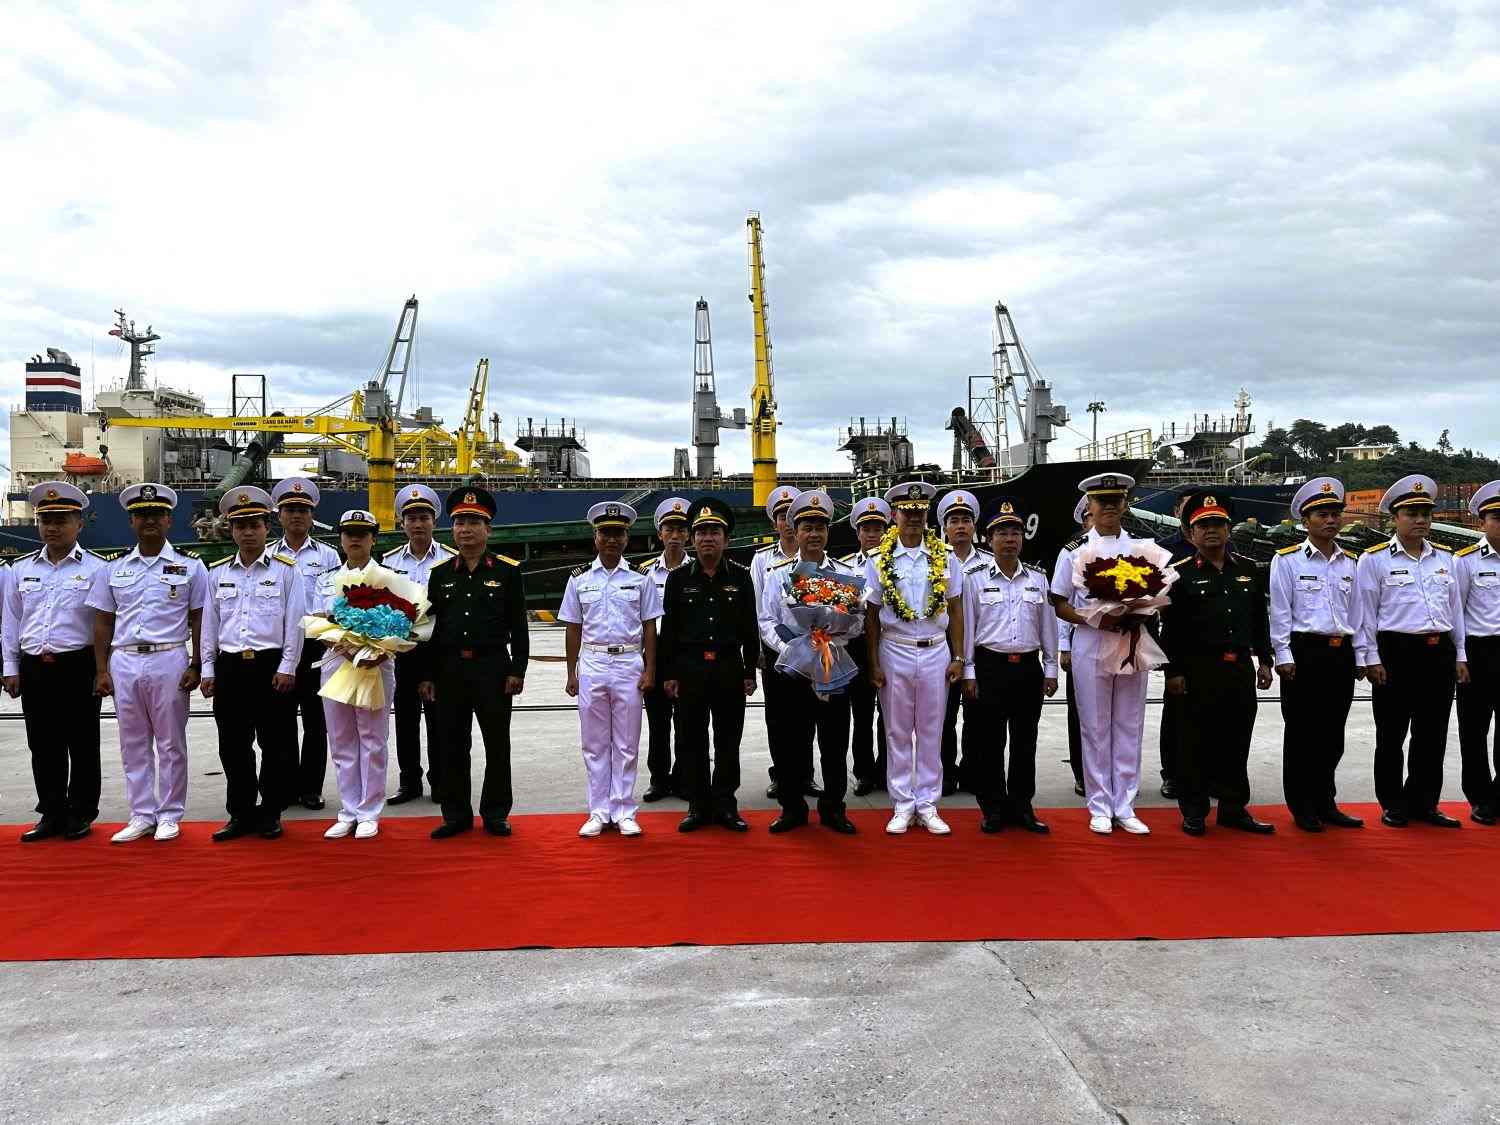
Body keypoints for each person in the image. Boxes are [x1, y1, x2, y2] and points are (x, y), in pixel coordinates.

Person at [88, 483, 208, 844]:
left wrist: (197, 664)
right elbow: (103, 620)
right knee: (133, 742)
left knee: (171, 742)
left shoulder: (191, 566)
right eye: (142, 515)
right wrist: (101, 669)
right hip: (125, 659)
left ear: (169, 520)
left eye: (157, 514)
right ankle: (141, 813)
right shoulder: (114, 568)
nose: (149, 520)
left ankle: (169, 813)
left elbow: (200, 619)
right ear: (131, 521)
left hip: (169, 657)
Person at [1354, 474, 1468, 828]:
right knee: (1391, 735)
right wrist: (1370, 658)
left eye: (1425, 514)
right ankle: (1392, 803)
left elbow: (1455, 612)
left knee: (1432, 735)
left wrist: (1460, 654)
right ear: (1395, 517)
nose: (1420, 520)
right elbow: (1364, 614)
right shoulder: (1374, 560)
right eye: (1411, 513)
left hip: (1438, 652)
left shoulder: (1446, 559)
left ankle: (1424, 802)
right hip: (1396, 652)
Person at [1162, 492, 1275, 836]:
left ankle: (1233, 807)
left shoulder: (1248, 569)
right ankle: (1194, 810)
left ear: (1228, 529)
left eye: (1218, 523)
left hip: (1238, 668)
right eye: (1203, 525)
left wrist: (1265, 660)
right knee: (1194, 742)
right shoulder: (1178, 574)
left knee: (1236, 741)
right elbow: (1172, 630)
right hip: (1198, 670)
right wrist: (1173, 672)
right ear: (1190, 533)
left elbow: (1259, 619)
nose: (1211, 530)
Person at [421, 487, 529, 839]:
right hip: (449, 669)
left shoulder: (507, 572)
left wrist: (518, 670)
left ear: (488, 529)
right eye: (459, 522)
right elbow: (430, 629)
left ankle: (495, 813)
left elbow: (519, 626)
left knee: (497, 744)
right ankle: (455, 815)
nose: (465, 529)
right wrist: (427, 675)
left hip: (492, 668)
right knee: (452, 744)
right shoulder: (440, 574)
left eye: (473, 522)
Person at [3, 481, 107, 842]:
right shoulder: (19, 570)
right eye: (46, 520)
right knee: (43, 743)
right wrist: (10, 667)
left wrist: (103, 669)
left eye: (62, 519)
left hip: (78, 665)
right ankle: (51, 811)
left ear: (79, 523)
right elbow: (11, 622)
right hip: (35, 666)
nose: (53, 527)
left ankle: (80, 812)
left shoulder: (97, 569)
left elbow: (104, 625)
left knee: (82, 743)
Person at [199, 487, 305, 841]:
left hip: (270, 666)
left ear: (266, 528)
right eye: (240, 525)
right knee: (233, 745)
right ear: (231, 530)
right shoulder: (217, 573)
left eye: (254, 525)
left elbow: (295, 623)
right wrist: (208, 670)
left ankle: (271, 811)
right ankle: (240, 813)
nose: (247, 532)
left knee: (276, 744)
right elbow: (210, 626)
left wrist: (288, 666)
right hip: (231, 667)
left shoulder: (286, 571)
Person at [1049, 473, 1152, 836]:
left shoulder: (1141, 547)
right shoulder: (1073, 550)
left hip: (1129, 639)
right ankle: (1099, 804)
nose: (1109, 507)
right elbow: (1059, 601)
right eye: (1101, 501)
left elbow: (1157, 594)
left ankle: (1125, 804)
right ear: (1089, 507)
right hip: (1091, 640)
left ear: (1125, 505)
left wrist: (1142, 609)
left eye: (1115, 501)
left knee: (1129, 724)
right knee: (1095, 726)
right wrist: (1092, 617)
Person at [865, 480, 965, 835]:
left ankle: (928, 803)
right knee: (897, 730)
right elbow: (871, 615)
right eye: (907, 512)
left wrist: (959, 656)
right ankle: (902, 803)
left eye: (920, 512)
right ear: (895, 515)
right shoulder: (879, 559)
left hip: (935, 649)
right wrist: (873, 663)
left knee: (932, 729)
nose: (913, 518)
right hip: (895, 648)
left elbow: (956, 607)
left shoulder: (945, 556)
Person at [759, 489, 861, 834]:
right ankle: (792, 808)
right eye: (807, 527)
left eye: (820, 527)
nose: (814, 534)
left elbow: (857, 623)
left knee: (834, 741)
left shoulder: (844, 573)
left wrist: (829, 639)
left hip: (832, 664)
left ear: (827, 531)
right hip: (794, 670)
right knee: (791, 741)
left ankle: (833, 808)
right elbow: (766, 620)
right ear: (796, 531)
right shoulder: (778, 574)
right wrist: (793, 649)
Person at [560, 501, 661, 837]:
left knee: (627, 743)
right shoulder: (579, 579)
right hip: (593, 662)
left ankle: (624, 810)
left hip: (629, 662)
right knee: (594, 743)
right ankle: (599, 811)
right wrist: (571, 672)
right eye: (606, 533)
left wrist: (650, 670)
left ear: (627, 538)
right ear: (596, 537)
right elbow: (573, 626)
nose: (612, 539)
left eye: (618, 533)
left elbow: (649, 626)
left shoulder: (641, 578)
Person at [1270, 477, 1364, 832]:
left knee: (1332, 734)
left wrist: (1360, 656)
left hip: (1340, 654)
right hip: (1304, 653)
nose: (1330, 520)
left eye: (1335, 514)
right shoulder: (1288, 561)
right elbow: (1280, 611)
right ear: (1305, 521)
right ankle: (1302, 805)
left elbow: (1358, 615)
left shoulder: (1350, 562)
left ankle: (1326, 801)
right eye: (1322, 515)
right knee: (1302, 734)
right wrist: (1283, 654)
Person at [660, 497, 759, 833]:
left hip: (729, 668)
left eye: (715, 532)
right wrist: (669, 674)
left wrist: (749, 672)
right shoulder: (677, 580)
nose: (707, 538)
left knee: (728, 740)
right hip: (690, 669)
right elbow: (669, 631)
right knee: (691, 740)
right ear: (692, 538)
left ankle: (726, 804)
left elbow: (750, 628)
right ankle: (698, 805)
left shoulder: (741, 577)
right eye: (701, 532)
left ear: (726, 539)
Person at [962, 498, 1058, 834]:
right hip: (990, 666)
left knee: (1025, 741)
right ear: (989, 539)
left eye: (1015, 532)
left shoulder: (1038, 578)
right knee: (989, 742)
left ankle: (1022, 805)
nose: (1009, 539)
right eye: (1002, 533)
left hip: (1027, 669)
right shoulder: (973, 579)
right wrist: (968, 671)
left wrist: (1050, 668)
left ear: (1023, 538)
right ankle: (992, 807)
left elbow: (1048, 627)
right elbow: (968, 629)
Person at [314, 509, 397, 839]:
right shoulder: (325, 579)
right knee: (341, 739)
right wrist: (346, 648)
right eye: (349, 533)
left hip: (375, 664)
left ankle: (369, 812)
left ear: (373, 539)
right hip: (337, 661)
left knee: (373, 739)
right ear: (341, 539)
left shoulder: (391, 578)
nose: (355, 539)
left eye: (363, 533)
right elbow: (316, 622)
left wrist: (376, 652)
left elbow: (403, 624)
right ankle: (348, 810)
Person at [270, 477, 342, 811]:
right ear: (279, 515)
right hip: (280, 647)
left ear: (312, 516)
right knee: (280, 722)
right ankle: (285, 786)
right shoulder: (268, 555)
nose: (296, 515)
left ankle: (311, 788)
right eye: (290, 510)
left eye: (303, 510)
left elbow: (336, 600)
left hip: (316, 646)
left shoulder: (328, 556)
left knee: (317, 722)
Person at [382, 483, 455, 805]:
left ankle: (440, 781)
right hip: (403, 651)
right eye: (411, 518)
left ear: (434, 521)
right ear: (402, 523)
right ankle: (409, 782)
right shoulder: (389, 562)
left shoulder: (450, 559)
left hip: (438, 650)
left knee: (439, 720)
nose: (418, 524)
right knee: (406, 719)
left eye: (424, 517)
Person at [750, 485, 819, 801]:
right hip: (776, 650)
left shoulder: (816, 558)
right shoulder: (762, 560)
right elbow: (757, 609)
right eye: (781, 516)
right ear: (775, 522)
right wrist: (758, 651)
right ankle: (781, 774)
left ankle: (805, 775)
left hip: (815, 650)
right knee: (777, 718)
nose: (787, 523)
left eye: (792, 517)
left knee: (808, 716)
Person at [936, 488, 990, 795]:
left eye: (965, 521)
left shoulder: (989, 563)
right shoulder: (934, 561)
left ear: (974, 526)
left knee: (977, 714)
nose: (960, 526)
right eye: (954, 521)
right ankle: (945, 772)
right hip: (944, 645)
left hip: (980, 646)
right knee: (944, 715)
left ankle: (972, 770)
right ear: (944, 527)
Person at [640, 496, 691, 802]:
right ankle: (658, 779)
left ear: (688, 534)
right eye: (669, 529)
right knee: (657, 723)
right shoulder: (644, 573)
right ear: (659, 533)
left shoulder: (697, 571)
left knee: (686, 722)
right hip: (654, 655)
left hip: (686, 655)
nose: (675, 535)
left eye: (681, 529)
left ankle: (684, 778)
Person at [839, 496, 891, 795]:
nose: (872, 534)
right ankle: (863, 772)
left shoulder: (895, 562)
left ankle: (886, 771)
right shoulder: (845, 567)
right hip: (857, 646)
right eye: (866, 529)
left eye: (877, 528)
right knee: (860, 713)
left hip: (891, 643)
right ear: (857, 532)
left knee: (889, 714)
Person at [1456, 480, 1500, 825]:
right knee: (1473, 731)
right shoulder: (1466, 562)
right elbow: (1455, 612)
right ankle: (1480, 797)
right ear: (1481, 522)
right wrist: (1459, 656)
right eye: (1497, 518)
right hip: (1479, 652)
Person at [1155, 487, 1197, 800]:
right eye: (1187, 506)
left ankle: (1209, 774)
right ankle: (1172, 774)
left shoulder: (1225, 545)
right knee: (1176, 714)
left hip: (1214, 643)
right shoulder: (1164, 550)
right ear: (1176, 512)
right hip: (1178, 640)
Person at [1060, 496, 1091, 797]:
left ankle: (1118, 775)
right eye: (1092, 515)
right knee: (1081, 712)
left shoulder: (1133, 547)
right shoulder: (1073, 552)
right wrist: (1064, 646)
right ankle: (1083, 772)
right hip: (1083, 637)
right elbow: (1061, 601)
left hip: (1123, 640)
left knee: (1121, 718)